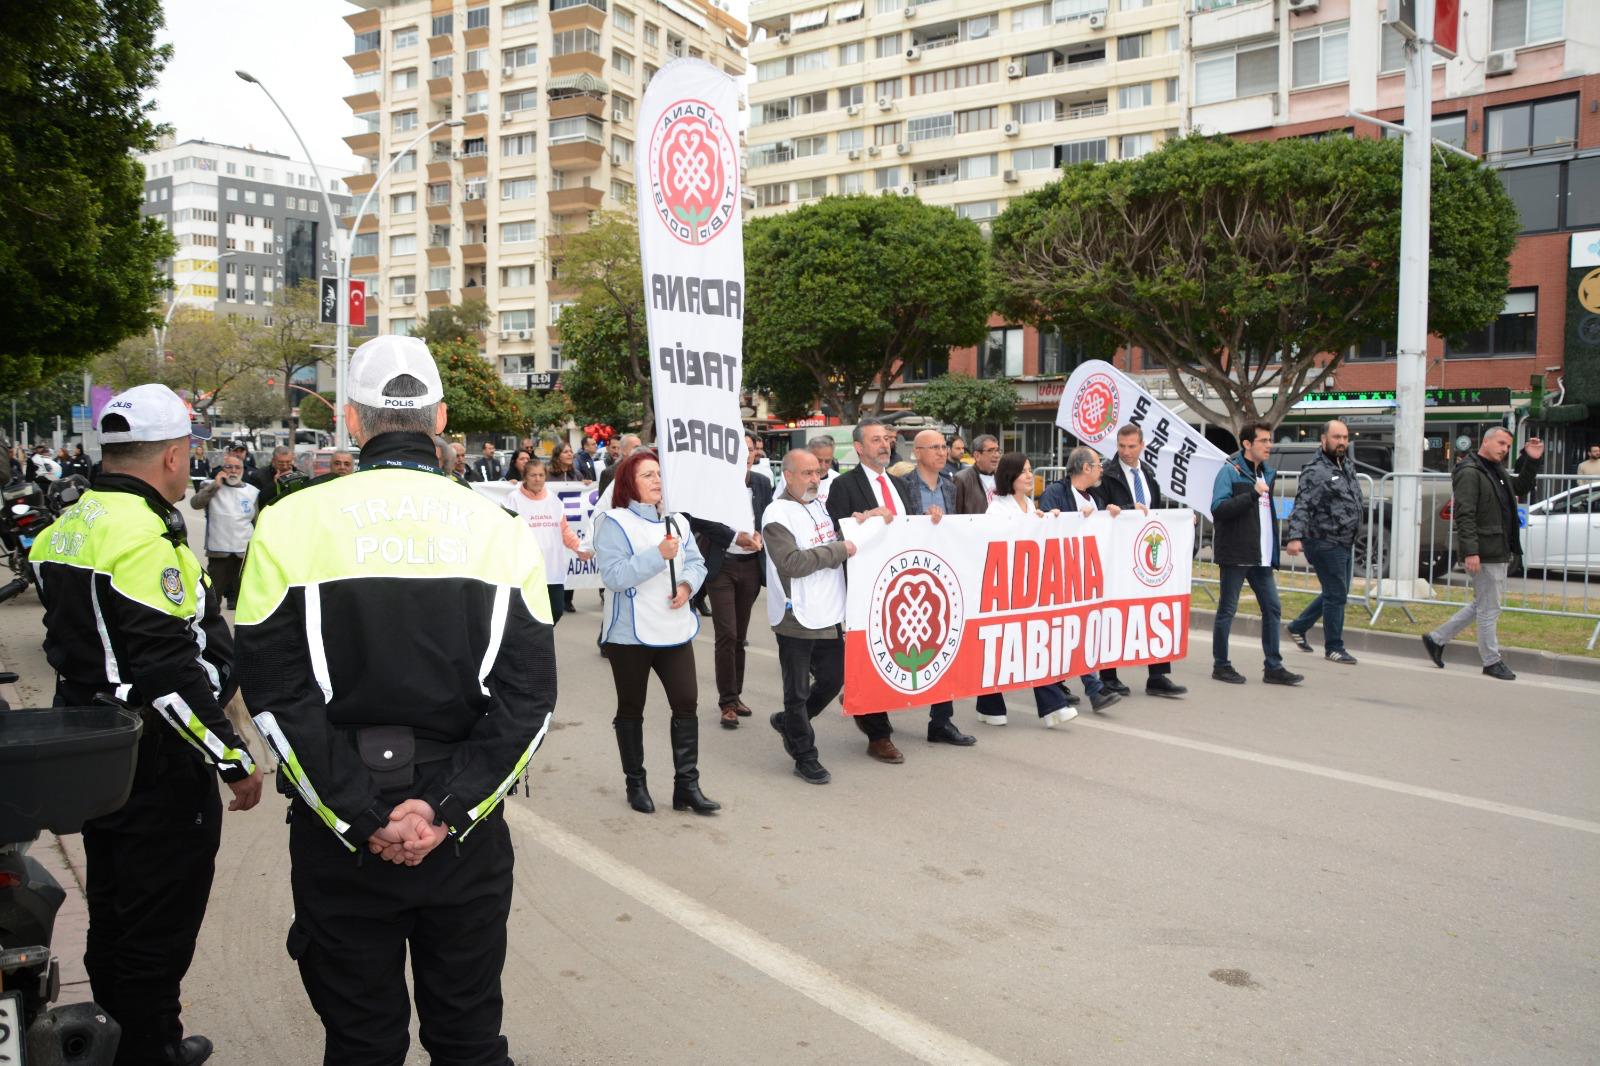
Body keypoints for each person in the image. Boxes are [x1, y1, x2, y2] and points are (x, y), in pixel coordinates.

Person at [234, 335, 555, 1066]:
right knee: (470, 1040)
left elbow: (274, 696)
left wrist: (362, 814)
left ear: (352, 420)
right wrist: (444, 810)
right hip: (461, 835)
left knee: (361, 1044)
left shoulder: (288, 521)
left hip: (339, 828)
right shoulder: (500, 529)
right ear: (439, 419)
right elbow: (530, 701)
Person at [31, 383, 263, 1066]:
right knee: (157, 927)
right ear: (171, 455)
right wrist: (231, 757)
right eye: (188, 449)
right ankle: (149, 1050)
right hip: (153, 761)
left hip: (91, 754)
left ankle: (123, 1038)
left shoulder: (67, 525)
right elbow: (166, 677)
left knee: (113, 909)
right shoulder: (143, 538)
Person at [824, 418, 962, 763]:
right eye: (875, 440)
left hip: (898, 587)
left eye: (886, 439)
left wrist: (929, 519)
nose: (884, 445)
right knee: (869, 654)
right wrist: (865, 519)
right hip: (864, 585)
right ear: (859, 448)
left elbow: (907, 531)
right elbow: (835, 534)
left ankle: (862, 702)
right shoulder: (844, 485)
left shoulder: (900, 485)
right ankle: (878, 735)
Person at [592, 450, 718, 815]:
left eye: (659, 474)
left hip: (674, 628)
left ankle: (687, 787)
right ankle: (636, 783)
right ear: (628, 483)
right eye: (648, 475)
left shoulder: (677, 521)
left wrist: (687, 586)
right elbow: (614, 576)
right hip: (629, 634)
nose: (657, 480)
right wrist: (658, 555)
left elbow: (697, 562)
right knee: (632, 708)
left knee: (686, 703)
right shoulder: (613, 522)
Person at [763, 448, 856, 784]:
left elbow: (830, 539)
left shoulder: (818, 504)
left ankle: (790, 722)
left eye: (818, 472)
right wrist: (839, 549)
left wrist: (859, 527)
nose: (815, 479)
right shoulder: (776, 514)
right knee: (797, 691)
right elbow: (792, 563)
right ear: (787, 476)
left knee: (834, 678)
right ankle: (805, 754)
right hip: (796, 615)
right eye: (807, 473)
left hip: (828, 610)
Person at [1421, 428, 1544, 680]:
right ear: (1485, 441)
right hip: (1485, 550)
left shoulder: (1494, 469)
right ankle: (1491, 660)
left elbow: (1521, 486)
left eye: (1508, 446)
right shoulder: (1469, 472)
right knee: (1490, 608)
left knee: (1483, 604)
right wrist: (1471, 551)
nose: (1504, 449)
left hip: (1497, 546)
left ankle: (1436, 638)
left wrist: (1531, 460)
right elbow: (1464, 513)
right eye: (1501, 443)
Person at [972, 451, 1083, 727]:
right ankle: (990, 705)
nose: (1029, 475)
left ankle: (1051, 706)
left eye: (1030, 470)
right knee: (1001, 646)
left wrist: (1050, 521)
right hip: (1004, 588)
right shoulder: (997, 508)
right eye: (1023, 471)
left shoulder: (1031, 506)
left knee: (1033, 644)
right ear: (1010, 476)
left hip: (1030, 587)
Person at [895, 429, 977, 746]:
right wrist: (920, 519)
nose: (942, 452)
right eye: (934, 447)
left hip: (942, 576)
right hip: (908, 579)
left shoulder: (950, 485)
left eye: (944, 446)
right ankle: (873, 715)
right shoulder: (901, 486)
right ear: (917, 452)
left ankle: (941, 721)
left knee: (945, 647)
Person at [1094, 425, 1188, 698]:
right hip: (1117, 554)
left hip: (1144, 553)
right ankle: (1108, 675)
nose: (1125, 452)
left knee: (1153, 609)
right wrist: (1126, 510)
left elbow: (1153, 512)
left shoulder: (1146, 473)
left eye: (1131, 446)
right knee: (1114, 612)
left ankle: (1157, 675)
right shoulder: (1107, 475)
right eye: (1121, 446)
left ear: (1142, 445)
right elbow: (1101, 511)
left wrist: (1181, 523)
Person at [1211, 421, 1303, 687]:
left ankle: (1273, 667)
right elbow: (1218, 508)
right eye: (1263, 441)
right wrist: (1251, 494)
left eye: (1270, 440)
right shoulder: (1229, 471)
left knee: (1273, 608)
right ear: (1247, 444)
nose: (1269, 445)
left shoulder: (1266, 473)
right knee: (1227, 610)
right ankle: (1221, 665)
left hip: (1261, 555)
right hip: (1236, 553)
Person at [1284, 420, 1364, 666]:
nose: (1342, 442)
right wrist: (1294, 537)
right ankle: (1334, 647)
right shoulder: (1316, 471)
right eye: (1336, 437)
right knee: (1336, 595)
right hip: (1324, 541)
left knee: (1336, 593)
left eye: (1345, 437)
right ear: (1324, 439)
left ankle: (1299, 626)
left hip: (1344, 541)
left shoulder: (1346, 465)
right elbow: (1302, 505)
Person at [707, 439, 774, 728]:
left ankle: (736, 696)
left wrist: (759, 535)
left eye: (750, 449)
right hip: (721, 565)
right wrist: (736, 538)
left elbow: (768, 517)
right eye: (739, 447)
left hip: (750, 567)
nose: (746, 454)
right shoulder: (713, 483)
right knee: (727, 634)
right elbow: (700, 521)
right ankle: (727, 703)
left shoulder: (761, 482)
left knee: (739, 637)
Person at [507, 456, 589, 624]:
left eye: (541, 475)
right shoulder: (514, 499)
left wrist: (579, 548)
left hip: (552, 569)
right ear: (525, 477)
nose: (537, 479)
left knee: (556, 611)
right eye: (533, 475)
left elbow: (564, 530)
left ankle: (540, 636)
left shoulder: (553, 499)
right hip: (527, 570)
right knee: (530, 614)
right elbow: (507, 533)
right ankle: (535, 639)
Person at [189, 452, 260, 609]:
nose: (233, 471)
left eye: (237, 467)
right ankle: (210, 621)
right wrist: (215, 485)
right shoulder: (210, 486)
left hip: (243, 552)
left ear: (242, 470)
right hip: (218, 551)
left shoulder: (252, 491)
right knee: (213, 596)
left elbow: (256, 522)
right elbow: (195, 504)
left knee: (244, 596)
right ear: (222, 469)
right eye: (229, 467)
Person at [954, 434, 1001, 513]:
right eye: (990, 450)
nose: (997, 455)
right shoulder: (962, 479)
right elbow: (956, 513)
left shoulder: (1002, 478)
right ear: (977, 455)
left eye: (998, 450)